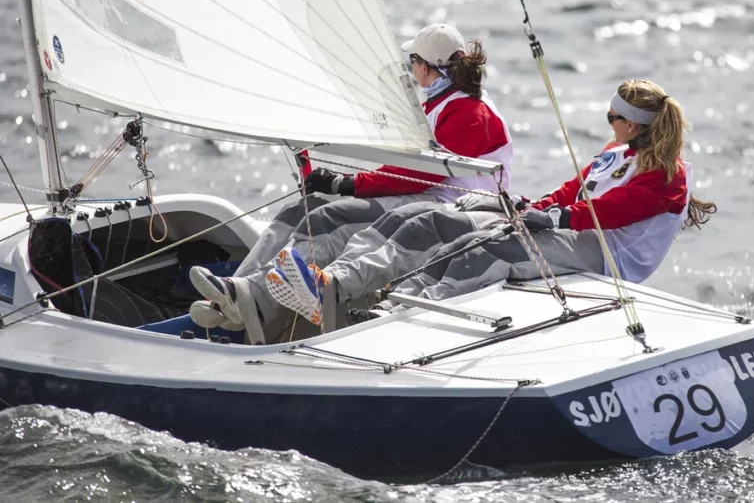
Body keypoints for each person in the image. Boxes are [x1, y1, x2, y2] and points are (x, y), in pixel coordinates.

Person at [261, 78, 717, 331]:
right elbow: (572, 190)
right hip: (574, 226)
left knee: (490, 246)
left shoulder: (669, 174)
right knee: (432, 220)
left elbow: (617, 209)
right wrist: (535, 206)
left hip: (604, 253)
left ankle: (401, 310)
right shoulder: (617, 152)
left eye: (613, 117)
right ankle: (332, 283)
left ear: (634, 124)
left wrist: (557, 216)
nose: (608, 122)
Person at [187, 24, 514, 342]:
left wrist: (346, 185)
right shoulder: (443, 103)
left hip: (447, 204)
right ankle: (232, 291)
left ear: (425, 68)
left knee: (328, 219)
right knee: (303, 208)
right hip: (421, 194)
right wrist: (340, 184)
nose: (412, 70)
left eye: (412, 62)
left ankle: (252, 299)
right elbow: (409, 170)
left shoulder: (470, 114)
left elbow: (417, 173)